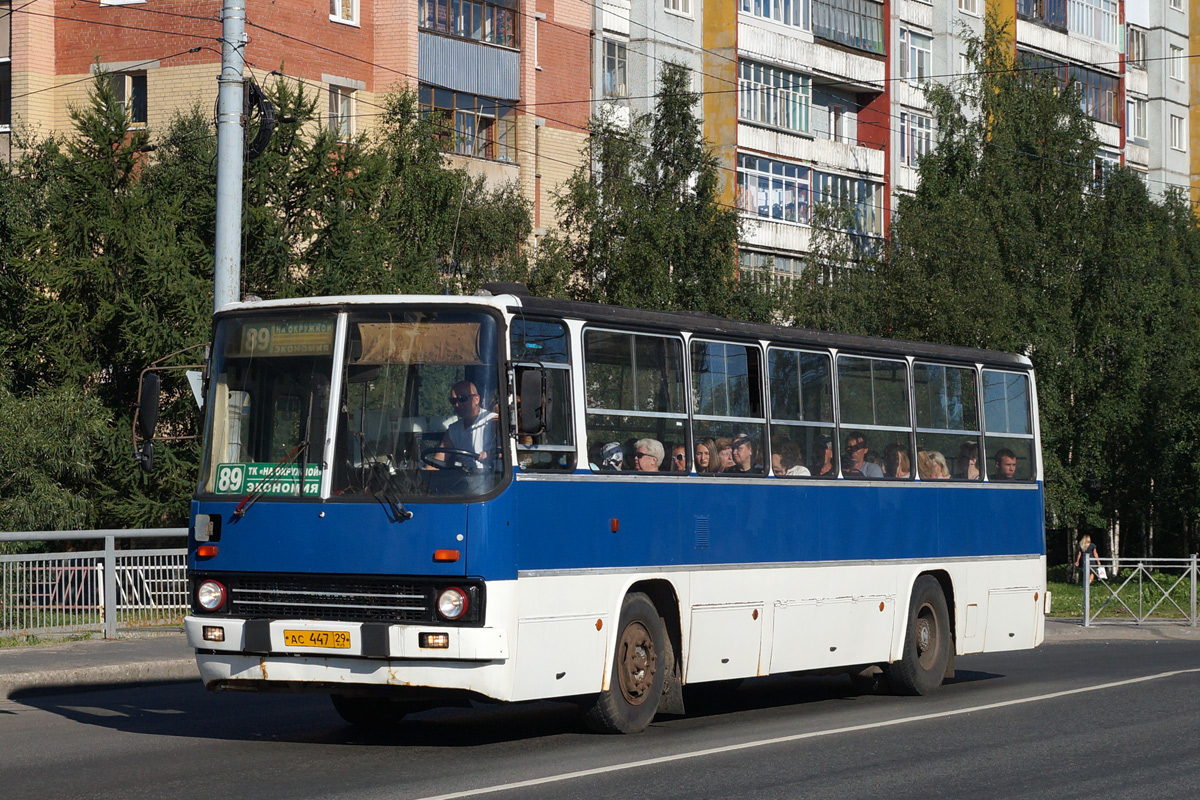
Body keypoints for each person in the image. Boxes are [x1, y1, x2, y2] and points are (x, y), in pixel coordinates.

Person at [431, 380, 497, 469]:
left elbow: (506, 452)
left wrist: (491, 454)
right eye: (453, 401)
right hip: (463, 479)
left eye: (462, 398)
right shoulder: (453, 430)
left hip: (491, 479)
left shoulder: (493, 421)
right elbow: (437, 462)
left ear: (476, 399)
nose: (457, 404)